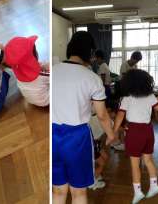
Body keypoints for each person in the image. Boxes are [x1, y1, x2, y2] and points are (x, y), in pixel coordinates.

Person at [52, 31, 115, 204]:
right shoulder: (92, 78)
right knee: (78, 192)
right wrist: (111, 135)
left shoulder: (53, 71)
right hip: (77, 138)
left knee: (58, 190)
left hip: (52, 134)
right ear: (90, 52)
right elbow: (102, 115)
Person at [114, 69, 158, 203]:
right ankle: (154, 185)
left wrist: (114, 131)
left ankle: (138, 192)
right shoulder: (150, 96)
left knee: (135, 164)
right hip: (148, 130)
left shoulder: (127, 98)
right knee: (148, 160)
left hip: (134, 131)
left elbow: (120, 115)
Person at [4, 36, 49, 107]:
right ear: (34, 56)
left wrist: (42, 66)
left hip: (29, 99)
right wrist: (48, 68)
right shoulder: (40, 75)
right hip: (44, 101)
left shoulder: (18, 71)